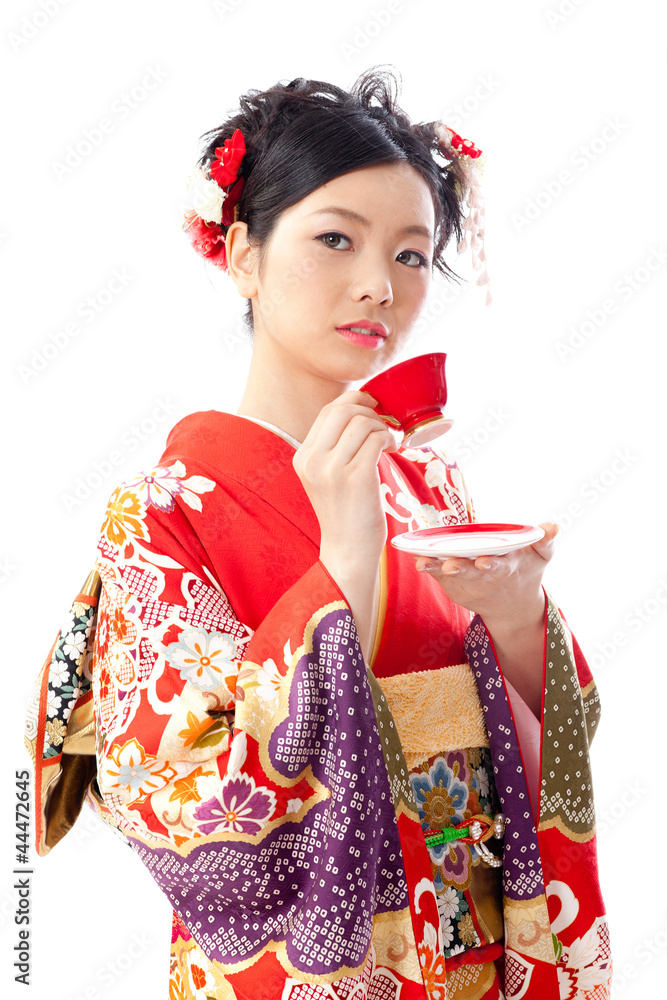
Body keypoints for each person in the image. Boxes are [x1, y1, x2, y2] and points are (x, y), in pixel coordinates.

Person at [24, 70, 611, 1000]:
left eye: (413, 255)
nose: (378, 285)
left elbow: (558, 744)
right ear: (243, 253)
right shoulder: (168, 509)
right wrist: (342, 565)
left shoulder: (433, 492)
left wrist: (512, 617)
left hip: (471, 945)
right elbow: (172, 793)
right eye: (334, 238)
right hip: (316, 967)